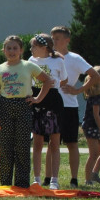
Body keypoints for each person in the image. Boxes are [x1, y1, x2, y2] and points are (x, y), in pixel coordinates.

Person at [0, 35, 54, 188]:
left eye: (15, 48)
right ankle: (5, 183)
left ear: (21, 50)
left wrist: (37, 98)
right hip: (5, 106)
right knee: (5, 146)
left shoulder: (28, 66)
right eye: (9, 48)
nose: (12, 51)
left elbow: (47, 81)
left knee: (22, 146)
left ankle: (21, 183)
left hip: (24, 106)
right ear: (4, 50)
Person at [50, 26, 96, 188]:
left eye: (57, 38)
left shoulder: (75, 58)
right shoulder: (49, 57)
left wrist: (78, 90)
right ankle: (49, 178)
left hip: (69, 106)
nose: (54, 41)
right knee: (52, 143)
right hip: (51, 105)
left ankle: (74, 178)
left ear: (66, 40)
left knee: (71, 143)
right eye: (52, 38)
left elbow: (95, 75)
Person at [27, 34, 67, 189]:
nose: (31, 49)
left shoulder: (57, 61)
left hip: (53, 101)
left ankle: (54, 180)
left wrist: (53, 82)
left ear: (44, 47)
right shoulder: (31, 61)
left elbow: (64, 79)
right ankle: (36, 178)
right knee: (37, 142)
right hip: (35, 99)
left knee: (54, 142)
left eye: (33, 46)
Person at [81, 66, 100, 185]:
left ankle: (94, 174)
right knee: (93, 154)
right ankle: (88, 180)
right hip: (92, 127)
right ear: (99, 79)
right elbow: (96, 115)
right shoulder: (96, 96)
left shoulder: (99, 95)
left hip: (96, 127)